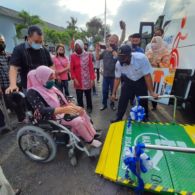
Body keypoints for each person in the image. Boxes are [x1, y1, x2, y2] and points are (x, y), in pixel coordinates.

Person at [27, 66, 101, 148]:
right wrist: (64, 109)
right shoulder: (32, 92)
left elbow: (63, 99)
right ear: (41, 79)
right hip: (51, 116)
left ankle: (92, 133)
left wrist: (74, 106)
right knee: (78, 121)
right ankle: (90, 140)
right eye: (49, 79)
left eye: (52, 78)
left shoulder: (51, 87)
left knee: (82, 111)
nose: (52, 81)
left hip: (62, 110)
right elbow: (42, 110)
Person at [111, 45, 158, 123]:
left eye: (123, 57)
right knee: (123, 99)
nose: (121, 60)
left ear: (129, 55)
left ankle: (144, 117)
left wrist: (152, 92)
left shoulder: (141, 58)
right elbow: (117, 78)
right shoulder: (119, 63)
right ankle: (118, 117)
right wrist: (113, 93)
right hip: (128, 81)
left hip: (140, 80)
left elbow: (147, 76)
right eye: (120, 57)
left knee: (143, 100)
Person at [6, 25, 53, 94]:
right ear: (28, 38)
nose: (39, 44)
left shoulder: (44, 50)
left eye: (41, 42)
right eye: (36, 41)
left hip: (45, 87)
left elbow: (51, 65)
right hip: (29, 88)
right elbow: (13, 67)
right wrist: (13, 84)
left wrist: (52, 77)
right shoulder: (19, 49)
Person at [70, 40, 95, 114]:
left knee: (88, 95)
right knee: (79, 96)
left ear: (82, 47)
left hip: (87, 79)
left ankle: (89, 107)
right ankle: (80, 108)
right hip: (78, 80)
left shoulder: (88, 55)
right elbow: (71, 69)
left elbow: (91, 67)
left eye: (79, 48)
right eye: (76, 48)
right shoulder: (73, 56)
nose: (77, 50)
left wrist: (92, 79)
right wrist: (74, 78)